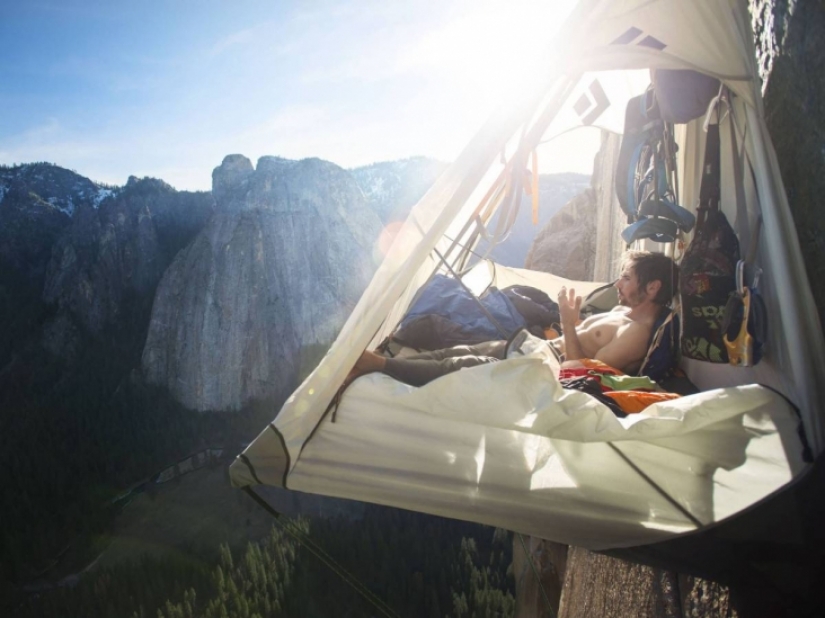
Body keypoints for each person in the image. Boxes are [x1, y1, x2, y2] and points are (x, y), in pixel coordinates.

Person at [350, 251, 679, 387]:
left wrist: (567, 322)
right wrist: (573, 321)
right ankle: (376, 363)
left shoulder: (636, 334)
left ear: (651, 288)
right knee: (455, 350)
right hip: (536, 347)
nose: (618, 285)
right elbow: (587, 341)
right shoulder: (622, 312)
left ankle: (374, 366)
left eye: (626, 278)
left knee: (461, 365)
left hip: (546, 368)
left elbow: (581, 376)